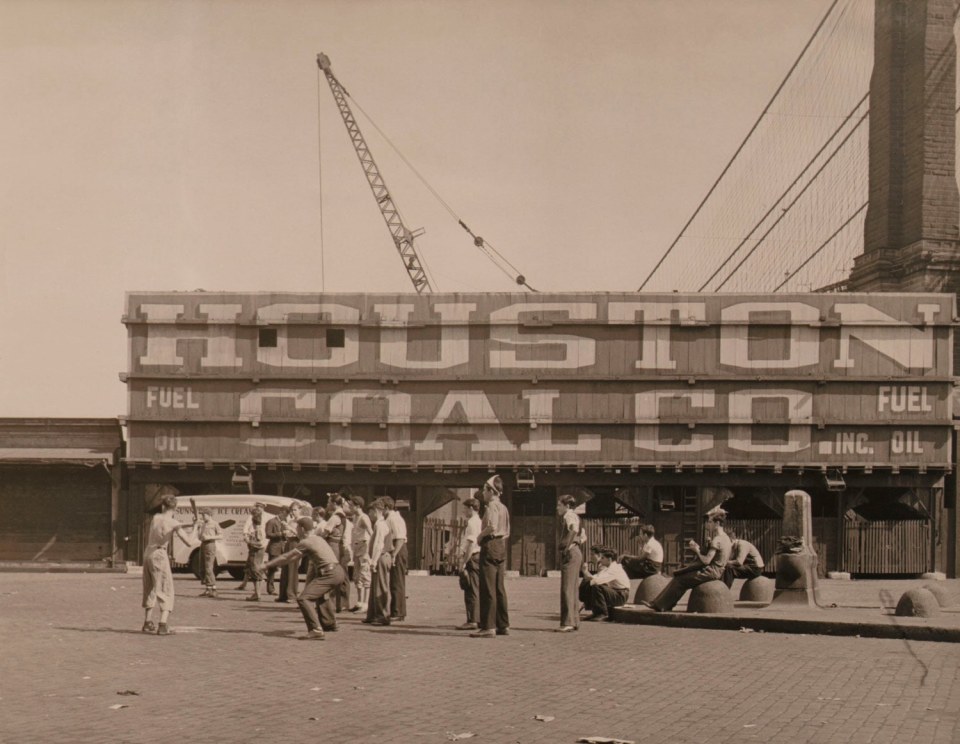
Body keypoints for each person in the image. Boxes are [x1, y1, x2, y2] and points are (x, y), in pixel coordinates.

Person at [262, 516, 345, 640]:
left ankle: (316, 630)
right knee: (320, 595)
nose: (296, 531)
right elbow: (292, 558)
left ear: (301, 528)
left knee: (303, 599)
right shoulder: (318, 538)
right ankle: (329, 624)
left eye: (297, 528)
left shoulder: (306, 542)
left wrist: (267, 565)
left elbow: (287, 557)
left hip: (329, 573)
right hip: (338, 571)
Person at [643, 507, 733, 612]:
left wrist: (696, 550)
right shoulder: (726, 538)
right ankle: (660, 603)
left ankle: (662, 605)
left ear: (717, 523)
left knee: (680, 580)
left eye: (710, 522)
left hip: (711, 572)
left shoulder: (717, 539)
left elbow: (706, 561)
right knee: (680, 576)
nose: (708, 525)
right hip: (718, 571)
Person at [141, 495, 195, 635]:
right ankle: (163, 625)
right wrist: (195, 528)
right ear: (175, 508)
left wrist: (189, 524)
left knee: (150, 587)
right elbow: (189, 541)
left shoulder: (156, 518)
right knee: (165, 588)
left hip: (148, 553)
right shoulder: (173, 522)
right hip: (159, 554)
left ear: (163, 506)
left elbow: (172, 523)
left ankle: (147, 622)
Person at [471, 475, 510, 638]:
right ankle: (503, 624)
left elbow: (492, 526)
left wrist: (480, 537)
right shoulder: (504, 507)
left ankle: (488, 626)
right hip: (501, 545)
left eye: (484, 489)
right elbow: (506, 531)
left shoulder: (492, 506)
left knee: (488, 586)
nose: (482, 492)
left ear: (490, 491)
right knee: (499, 587)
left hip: (491, 544)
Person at [363, 499, 394, 626]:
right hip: (381, 556)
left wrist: (373, 561)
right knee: (375, 586)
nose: (369, 515)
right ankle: (372, 614)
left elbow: (378, 544)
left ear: (376, 511)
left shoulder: (380, 525)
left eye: (370, 512)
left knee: (380, 587)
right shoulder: (380, 524)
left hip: (381, 556)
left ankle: (383, 615)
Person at [320, 493, 352, 612]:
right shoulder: (343, 516)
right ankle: (342, 603)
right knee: (343, 574)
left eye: (329, 502)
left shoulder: (334, 517)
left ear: (334, 503)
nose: (327, 505)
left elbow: (325, 532)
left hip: (334, 546)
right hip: (342, 546)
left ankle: (333, 603)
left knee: (333, 573)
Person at [580, 547, 631, 621]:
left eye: (603, 558)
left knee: (597, 587)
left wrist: (585, 572)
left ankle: (603, 614)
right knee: (589, 583)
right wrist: (586, 575)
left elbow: (597, 581)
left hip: (621, 595)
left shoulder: (614, 569)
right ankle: (596, 613)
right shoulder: (608, 568)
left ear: (609, 559)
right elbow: (595, 577)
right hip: (616, 592)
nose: (600, 560)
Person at [556, 494, 583, 632]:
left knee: (566, 588)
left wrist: (566, 547)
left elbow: (574, 530)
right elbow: (582, 536)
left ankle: (567, 622)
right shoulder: (576, 516)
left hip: (571, 552)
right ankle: (574, 621)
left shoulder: (568, 516)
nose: (557, 508)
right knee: (573, 588)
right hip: (576, 552)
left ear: (567, 506)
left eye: (559, 505)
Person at [456, 495, 482, 630]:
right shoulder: (479, 521)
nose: (464, 512)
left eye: (465, 509)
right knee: (476, 588)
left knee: (470, 588)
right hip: (478, 557)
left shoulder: (472, 523)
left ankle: (472, 619)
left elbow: (471, 544)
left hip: (473, 558)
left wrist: (464, 562)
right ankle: (477, 618)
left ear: (471, 509)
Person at [382, 496, 408, 622]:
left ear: (386, 507)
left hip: (398, 550)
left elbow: (400, 538)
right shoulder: (391, 518)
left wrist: (394, 555)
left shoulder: (394, 519)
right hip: (395, 549)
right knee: (394, 581)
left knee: (397, 581)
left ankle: (398, 611)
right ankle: (396, 610)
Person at [348, 494, 373, 613]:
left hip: (364, 548)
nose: (350, 508)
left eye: (351, 506)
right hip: (357, 548)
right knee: (357, 576)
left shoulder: (364, 517)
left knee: (365, 575)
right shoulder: (355, 517)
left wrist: (370, 549)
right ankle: (359, 601)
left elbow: (371, 533)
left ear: (357, 506)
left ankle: (366, 603)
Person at [193, 507, 222, 597]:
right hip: (203, 545)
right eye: (202, 515)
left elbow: (221, 535)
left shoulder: (215, 524)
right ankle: (207, 589)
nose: (202, 516)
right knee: (202, 567)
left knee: (209, 567)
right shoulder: (203, 524)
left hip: (210, 545)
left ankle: (214, 589)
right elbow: (199, 537)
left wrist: (209, 537)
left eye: (204, 515)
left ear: (209, 515)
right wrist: (197, 527)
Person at [241, 503, 268, 601]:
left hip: (256, 551)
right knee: (256, 570)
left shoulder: (258, 530)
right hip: (259, 551)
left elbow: (260, 543)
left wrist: (248, 541)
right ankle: (257, 593)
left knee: (255, 571)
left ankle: (257, 594)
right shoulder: (260, 528)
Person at [276, 503, 302, 603]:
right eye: (292, 510)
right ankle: (283, 594)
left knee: (292, 569)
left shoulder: (301, 521)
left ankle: (292, 595)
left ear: (300, 510)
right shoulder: (291, 521)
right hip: (289, 543)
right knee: (285, 569)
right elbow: (288, 533)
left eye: (295, 510)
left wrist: (289, 528)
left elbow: (301, 535)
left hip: (296, 543)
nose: (293, 512)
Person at [264, 506, 289, 596]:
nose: (286, 516)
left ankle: (283, 589)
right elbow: (268, 534)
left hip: (283, 547)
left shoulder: (284, 521)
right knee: (272, 569)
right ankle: (270, 589)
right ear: (281, 512)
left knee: (283, 568)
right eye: (286, 514)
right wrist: (280, 534)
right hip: (274, 547)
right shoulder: (272, 521)